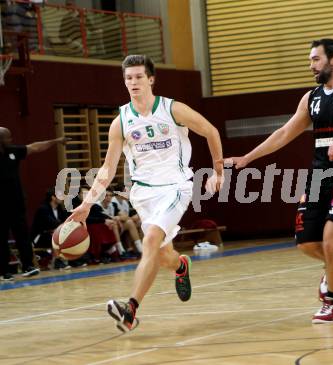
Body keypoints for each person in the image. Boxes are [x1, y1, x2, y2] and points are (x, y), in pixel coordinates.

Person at [227, 39, 333, 323]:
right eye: (311, 60)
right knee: (306, 244)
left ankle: (332, 303)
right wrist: (247, 158)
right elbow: (284, 133)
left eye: (315, 59)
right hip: (319, 176)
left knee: (330, 241)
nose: (311, 65)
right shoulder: (311, 98)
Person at [68, 55, 224, 332]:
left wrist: (218, 171)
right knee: (163, 255)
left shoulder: (172, 109)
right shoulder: (121, 122)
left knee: (150, 241)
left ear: (151, 79)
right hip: (143, 194)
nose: (133, 82)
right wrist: (87, 204)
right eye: (129, 78)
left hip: (176, 188)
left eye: (139, 76)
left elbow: (210, 131)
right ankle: (180, 266)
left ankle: (130, 310)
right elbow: (106, 169)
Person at [0, 127, 69, 281]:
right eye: (7, 138)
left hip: (16, 203)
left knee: (22, 236)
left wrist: (56, 141)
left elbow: (35, 147)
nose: (10, 140)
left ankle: (27, 266)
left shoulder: (13, 151)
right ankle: (4, 271)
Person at [31, 188, 71, 270]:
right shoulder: (43, 209)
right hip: (39, 237)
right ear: (53, 197)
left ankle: (74, 260)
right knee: (56, 236)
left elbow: (67, 223)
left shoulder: (61, 209)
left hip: (53, 235)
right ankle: (58, 261)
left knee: (67, 235)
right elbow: (50, 223)